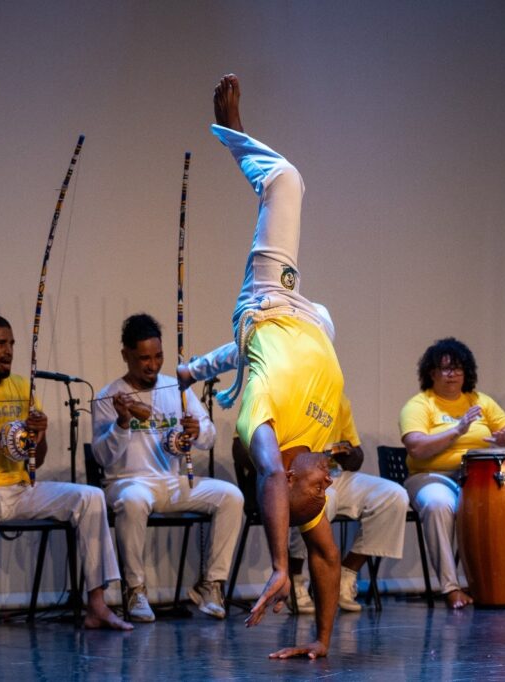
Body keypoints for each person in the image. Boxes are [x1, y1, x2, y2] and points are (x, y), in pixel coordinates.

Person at [176, 73, 343, 659]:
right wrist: (320, 639)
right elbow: (326, 554)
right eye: (325, 490)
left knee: (285, 180)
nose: (327, 485)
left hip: (271, 304)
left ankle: (230, 130)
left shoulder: (260, 427)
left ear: (289, 477)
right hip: (310, 324)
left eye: (316, 488)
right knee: (251, 350)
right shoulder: (317, 450)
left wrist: (277, 564)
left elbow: (269, 476)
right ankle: (191, 367)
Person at [0, 314, 132, 635]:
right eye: (0, 343)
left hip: (19, 488)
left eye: (11, 344)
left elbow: (34, 459)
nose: (9, 351)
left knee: (90, 496)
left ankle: (96, 603)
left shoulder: (22, 387)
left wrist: (40, 435)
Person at [92, 313, 245, 622]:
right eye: (144, 358)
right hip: (127, 482)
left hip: (172, 482)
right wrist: (122, 423)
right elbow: (102, 457)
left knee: (231, 496)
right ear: (126, 356)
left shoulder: (177, 387)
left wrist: (196, 431)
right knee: (134, 501)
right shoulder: (108, 396)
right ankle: (134, 590)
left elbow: (209, 437)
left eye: (158, 356)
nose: (152, 365)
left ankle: (211, 584)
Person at [399, 337, 505, 609]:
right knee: (439, 504)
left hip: (476, 478)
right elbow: (416, 447)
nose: (452, 374)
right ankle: (451, 587)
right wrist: (457, 430)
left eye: (457, 368)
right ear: (431, 373)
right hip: (432, 477)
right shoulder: (420, 404)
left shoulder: (481, 401)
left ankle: (495, 584)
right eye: (444, 369)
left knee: (502, 505)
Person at [287, 393, 408, 613]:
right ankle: (295, 579)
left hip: (334, 473)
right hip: (299, 475)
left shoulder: (337, 398)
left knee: (393, 495)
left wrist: (347, 452)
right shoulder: (286, 394)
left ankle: (347, 574)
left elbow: (356, 459)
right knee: (321, 500)